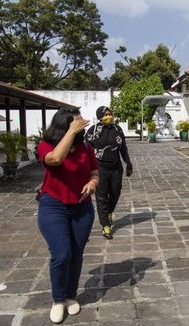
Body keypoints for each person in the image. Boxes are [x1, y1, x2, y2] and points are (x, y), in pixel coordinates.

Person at [37, 107, 99, 323]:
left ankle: (71, 296)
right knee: (61, 254)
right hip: (53, 205)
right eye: (77, 121)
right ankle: (58, 300)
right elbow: (55, 160)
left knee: (76, 253)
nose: (82, 123)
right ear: (65, 124)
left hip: (82, 207)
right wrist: (71, 133)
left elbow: (94, 173)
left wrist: (92, 183)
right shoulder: (46, 145)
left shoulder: (86, 147)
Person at [85, 106, 133, 239]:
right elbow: (86, 151)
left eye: (109, 114)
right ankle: (105, 226)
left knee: (115, 192)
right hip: (100, 168)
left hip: (116, 167)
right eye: (105, 114)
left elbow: (123, 148)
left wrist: (128, 163)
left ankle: (109, 211)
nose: (108, 116)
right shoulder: (93, 131)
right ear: (100, 116)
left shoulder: (117, 129)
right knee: (101, 197)